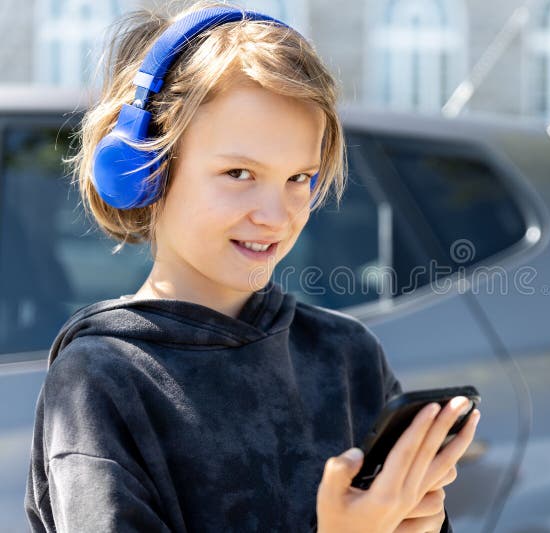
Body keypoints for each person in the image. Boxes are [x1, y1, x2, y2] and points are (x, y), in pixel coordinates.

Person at [23, 1, 480, 532]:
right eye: (239, 172)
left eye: (299, 178)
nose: (275, 215)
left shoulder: (347, 356)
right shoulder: (102, 380)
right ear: (144, 169)